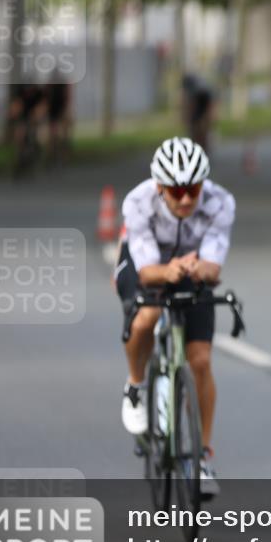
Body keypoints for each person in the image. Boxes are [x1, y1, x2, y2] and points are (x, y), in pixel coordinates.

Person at [116, 137, 236, 497]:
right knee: (147, 316)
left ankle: (200, 455)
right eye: (177, 190)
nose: (186, 198)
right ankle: (136, 386)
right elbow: (147, 270)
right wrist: (167, 271)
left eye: (193, 189)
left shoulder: (221, 202)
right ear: (159, 187)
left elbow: (214, 267)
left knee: (200, 360)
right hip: (147, 266)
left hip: (193, 270)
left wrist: (198, 268)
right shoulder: (138, 202)